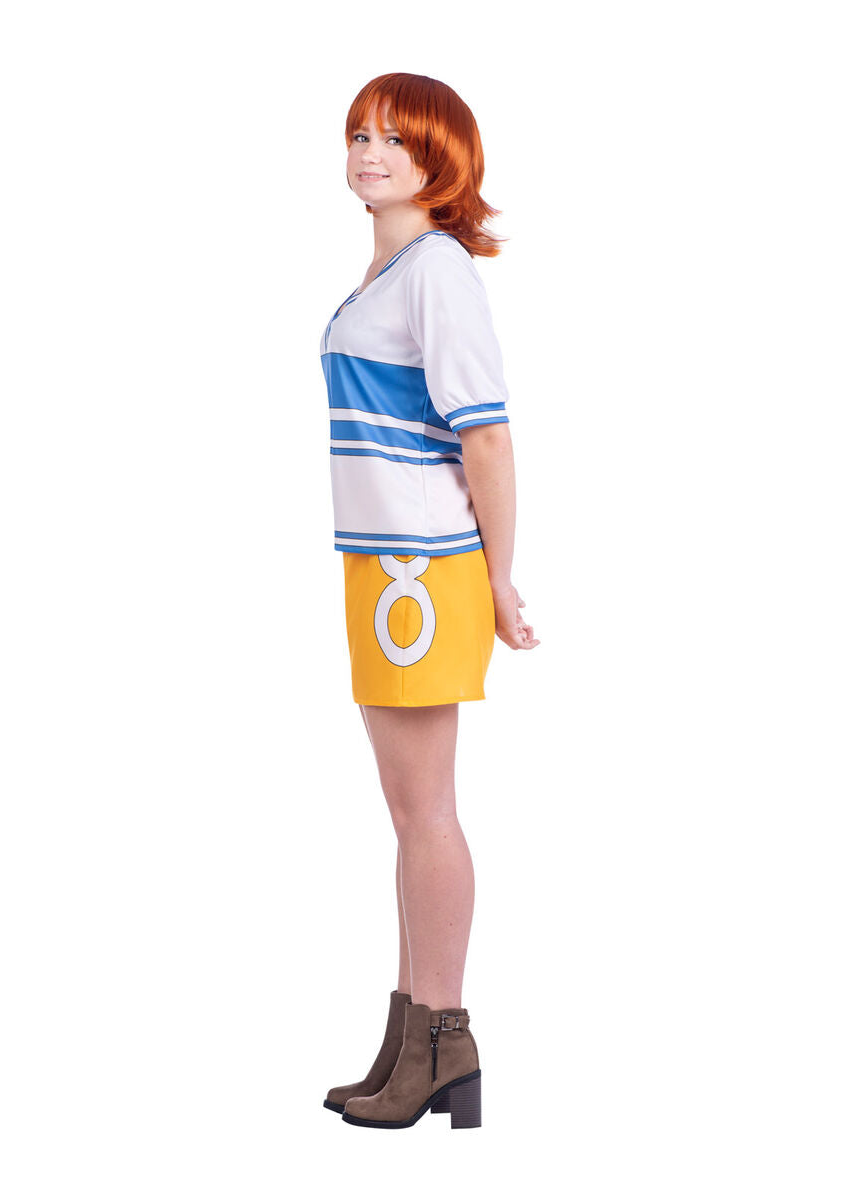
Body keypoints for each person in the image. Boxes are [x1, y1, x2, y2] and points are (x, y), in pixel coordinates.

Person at [318, 73, 539, 1131]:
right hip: (381, 563)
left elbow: (485, 433)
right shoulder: (391, 269)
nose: (369, 153)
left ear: (439, 158)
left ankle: (447, 1041)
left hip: (421, 569)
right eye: (359, 134)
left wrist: (498, 578)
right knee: (408, 814)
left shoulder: (438, 271)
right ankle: (410, 1037)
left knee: (426, 811)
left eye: (395, 140)